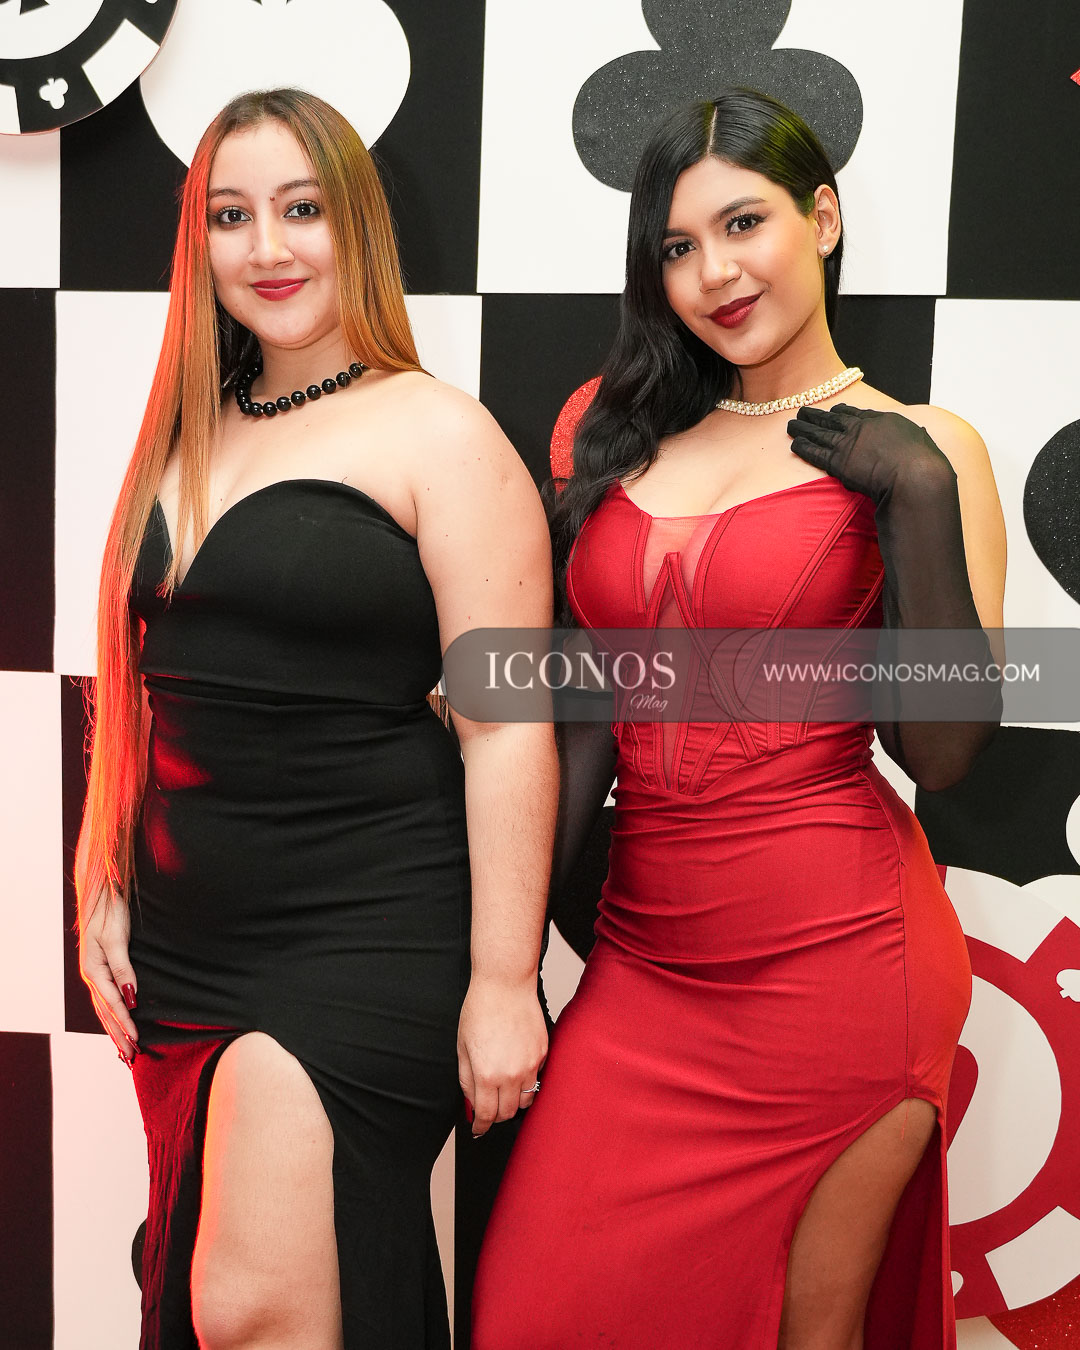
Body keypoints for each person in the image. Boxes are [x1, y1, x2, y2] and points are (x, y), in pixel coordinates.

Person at [472, 90, 1005, 1350]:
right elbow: (583, 726)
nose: (714, 271)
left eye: (744, 223)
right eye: (678, 244)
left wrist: (914, 493)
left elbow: (940, 753)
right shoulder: (619, 438)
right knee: (525, 1318)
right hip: (643, 970)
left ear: (823, 219)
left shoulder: (929, 446)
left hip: (843, 970)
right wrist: (497, 969)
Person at [74, 88, 556, 1350]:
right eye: (232, 216)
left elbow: (509, 726)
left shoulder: (441, 433)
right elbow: (150, 679)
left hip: (362, 929)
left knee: (255, 1308)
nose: (268, 247)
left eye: (301, 209)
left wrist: (506, 982)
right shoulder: (186, 429)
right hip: (186, 946)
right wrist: (106, 869)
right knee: (208, 1301)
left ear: (356, 225)